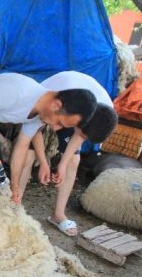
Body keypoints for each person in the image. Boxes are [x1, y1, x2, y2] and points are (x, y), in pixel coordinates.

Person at [0, 72, 98, 215]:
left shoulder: (39, 114)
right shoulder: (19, 92)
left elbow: (21, 147)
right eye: (59, 122)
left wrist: (15, 186)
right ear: (56, 105)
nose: (56, 128)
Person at [16, 71, 118, 236]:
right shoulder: (53, 97)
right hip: (52, 106)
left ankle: (58, 214)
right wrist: (43, 162)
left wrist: (62, 165)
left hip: (78, 114)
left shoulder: (103, 114)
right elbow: (34, 130)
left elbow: (80, 135)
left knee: (73, 160)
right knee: (28, 156)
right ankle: (16, 204)